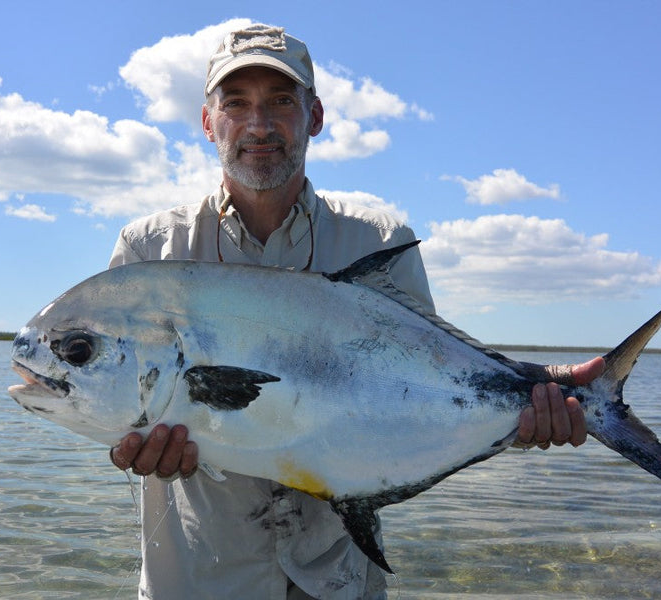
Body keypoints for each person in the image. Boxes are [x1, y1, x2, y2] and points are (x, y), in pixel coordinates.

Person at [107, 23, 605, 600]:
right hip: (198, 580)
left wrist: (525, 409)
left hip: (336, 579)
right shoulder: (150, 251)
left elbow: (424, 400)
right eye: (236, 104)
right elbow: (116, 398)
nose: (259, 125)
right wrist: (128, 445)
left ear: (314, 117)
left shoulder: (378, 240)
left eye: (282, 102)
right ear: (207, 121)